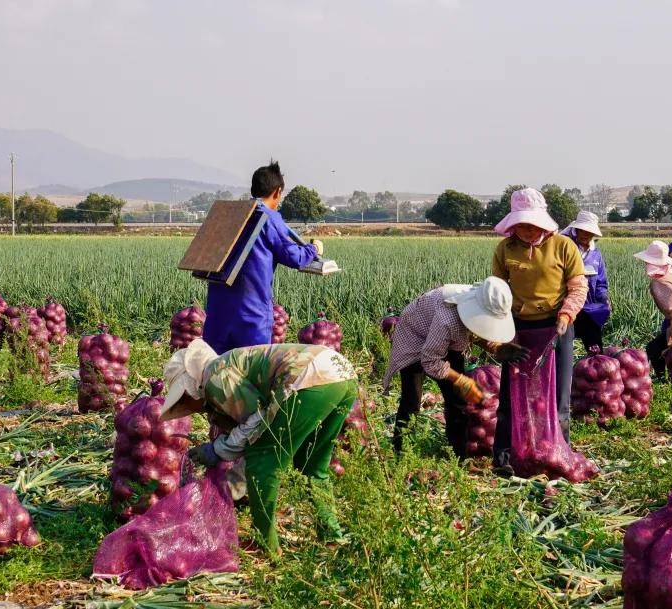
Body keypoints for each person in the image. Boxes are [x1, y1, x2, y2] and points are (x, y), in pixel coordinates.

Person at [160, 339, 357, 555]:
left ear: (190, 387)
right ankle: (332, 537)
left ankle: (265, 543)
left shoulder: (215, 376)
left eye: (184, 399)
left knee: (262, 463)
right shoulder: (226, 365)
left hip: (308, 380)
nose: (187, 406)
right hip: (341, 376)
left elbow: (257, 420)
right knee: (312, 464)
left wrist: (217, 450)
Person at [489, 187, 588, 474]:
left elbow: (578, 287)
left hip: (557, 326)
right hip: (517, 327)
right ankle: (504, 457)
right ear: (512, 224)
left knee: (559, 397)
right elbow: (497, 292)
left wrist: (567, 314)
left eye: (532, 225)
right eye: (521, 225)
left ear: (543, 222)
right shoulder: (505, 249)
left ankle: (560, 454)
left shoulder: (563, 247)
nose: (527, 230)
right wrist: (503, 330)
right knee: (511, 395)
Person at [382, 277, 528, 456]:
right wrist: (462, 380)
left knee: (458, 401)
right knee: (411, 400)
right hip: (413, 337)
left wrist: (496, 347)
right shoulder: (448, 319)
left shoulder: (482, 301)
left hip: (443, 339)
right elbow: (430, 361)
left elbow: (475, 330)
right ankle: (400, 453)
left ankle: (458, 455)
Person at [202, 161, 323, 354]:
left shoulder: (231, 215)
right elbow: (294, 257)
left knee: (215, 372)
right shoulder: (269, 217)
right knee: (252, 371)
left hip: (218, 314)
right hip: (250, 315)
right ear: (277, 192)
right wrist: (313, 249)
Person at [561, 210, 610, 352]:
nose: (586, 235)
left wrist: (604, 298)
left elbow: (601, 282)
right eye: (583, 230)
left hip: (589, 308)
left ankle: (595, 370)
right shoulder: (566, 247)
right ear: (576, 229)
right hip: (566, 305)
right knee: (564, 346)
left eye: (590, 232)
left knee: (595, 347)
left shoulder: (596, 254)